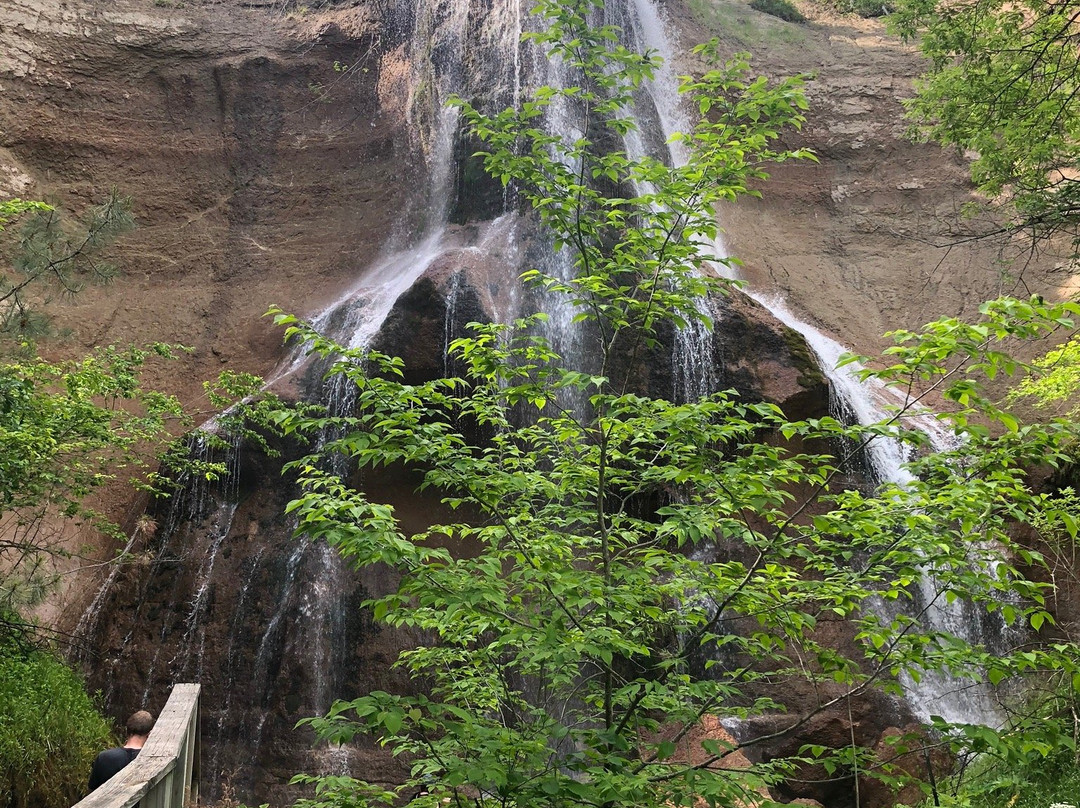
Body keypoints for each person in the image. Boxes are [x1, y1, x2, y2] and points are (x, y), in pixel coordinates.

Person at [88, 710, 156, 791]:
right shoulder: (151, 761)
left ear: (127, 730)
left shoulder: (104, 757)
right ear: (150, 735)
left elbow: (92, 788)